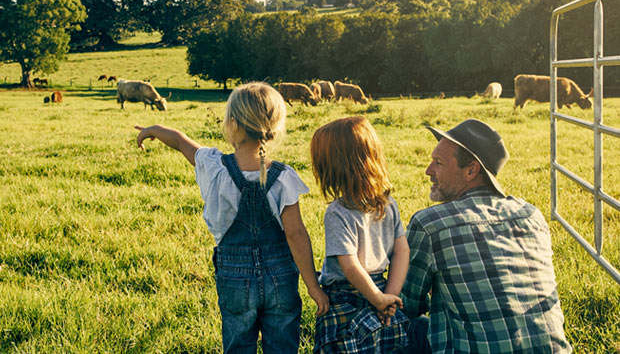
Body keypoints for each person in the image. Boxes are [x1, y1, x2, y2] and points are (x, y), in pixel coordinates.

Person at [135, 82, 329, 354]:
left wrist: (153, 130)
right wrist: (313, 286)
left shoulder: (214, 168)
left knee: (238, 345)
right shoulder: (283, 176)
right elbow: (296, 234)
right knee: (284, 346)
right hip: (281, 279)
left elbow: (180, 141)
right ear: (273, 126)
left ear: (233, 124)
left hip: (234, 279)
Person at [401, 119, 572, 353]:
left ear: (471, 170)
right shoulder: (531, 215)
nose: (428, 170)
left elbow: (407, 304)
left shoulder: (430, 224)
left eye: (438, 163)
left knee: (402, 326)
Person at [311, 116, 410, 353]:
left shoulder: (338, 212)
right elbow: (402, 251)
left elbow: (350, 266)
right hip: (382, 290)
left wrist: (378, 299)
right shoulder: (388, 204)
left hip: (347, 298)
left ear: (332, 168)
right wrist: (390, 297)